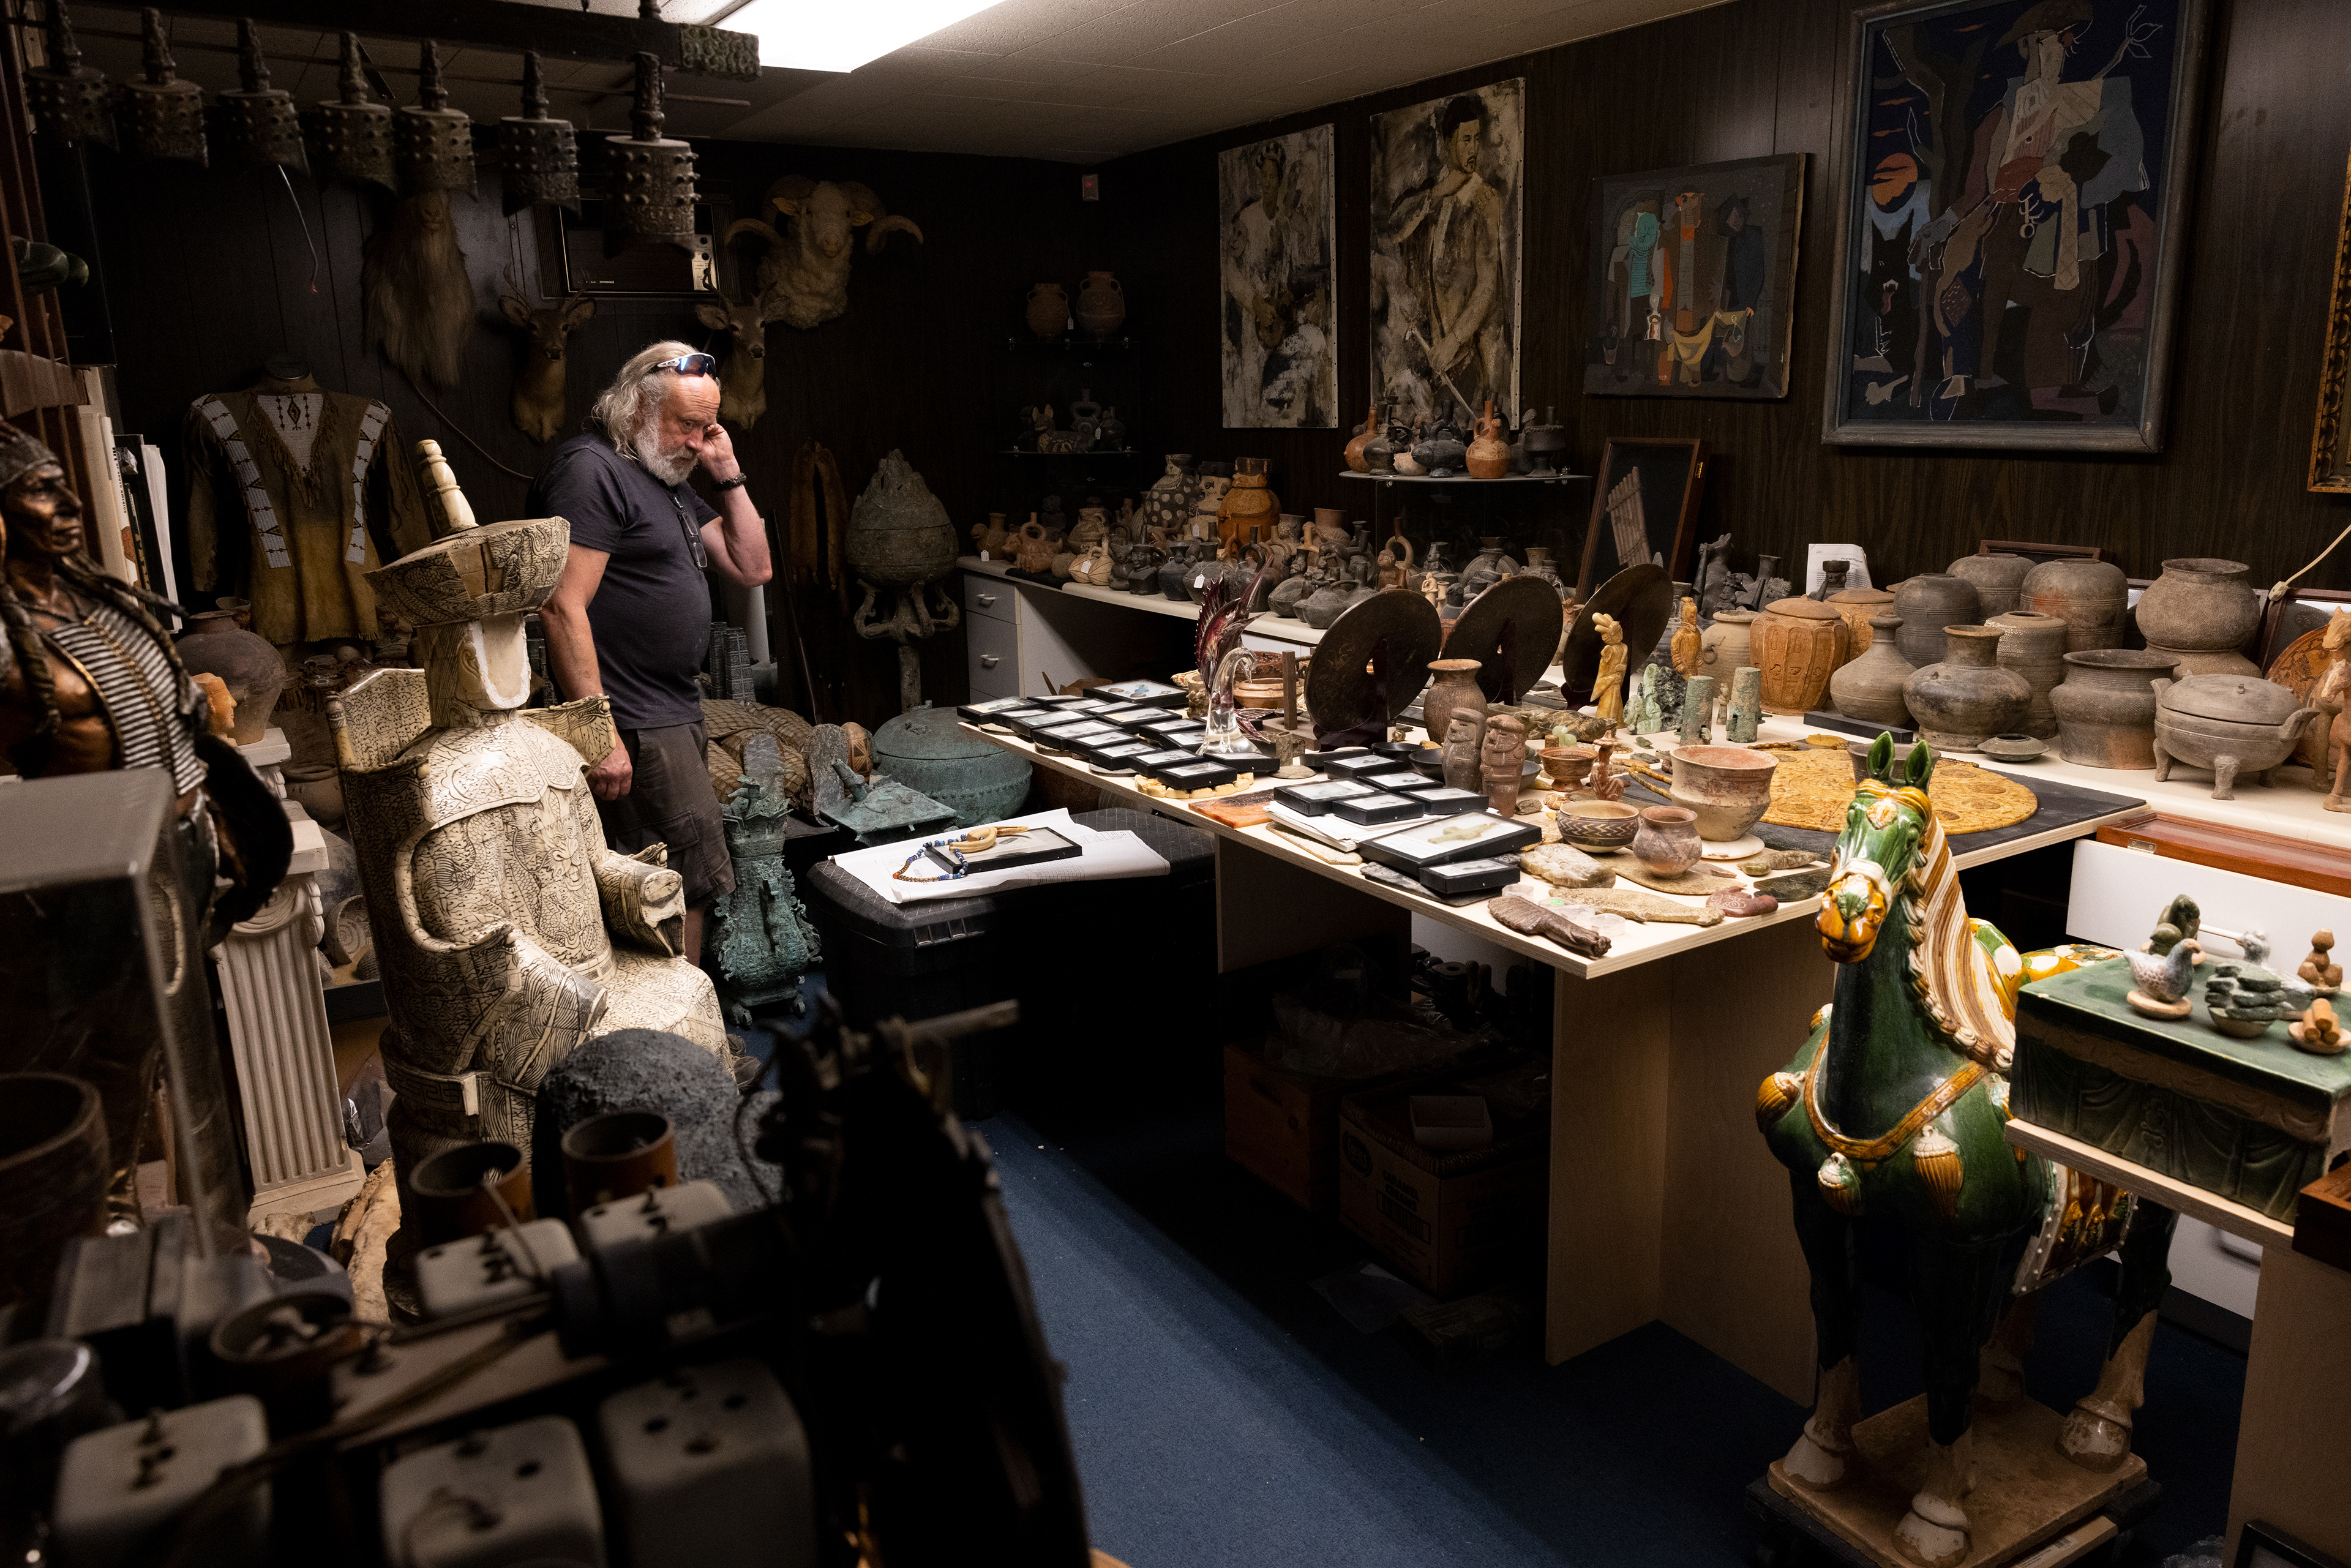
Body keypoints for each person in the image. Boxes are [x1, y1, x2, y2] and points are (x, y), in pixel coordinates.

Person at [531, 342, 773, 966]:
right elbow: (562, 606)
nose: (696, 440)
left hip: (672, 708)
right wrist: (600, 731)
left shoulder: (662, 476)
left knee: (686, 883)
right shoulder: (593, 472)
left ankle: (685, 1040)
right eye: (685, 425)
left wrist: (727, 469)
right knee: (668, 885)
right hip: (634, 720)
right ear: (637, 407)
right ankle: (682, 1048)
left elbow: (753, 566)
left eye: (707, 426)